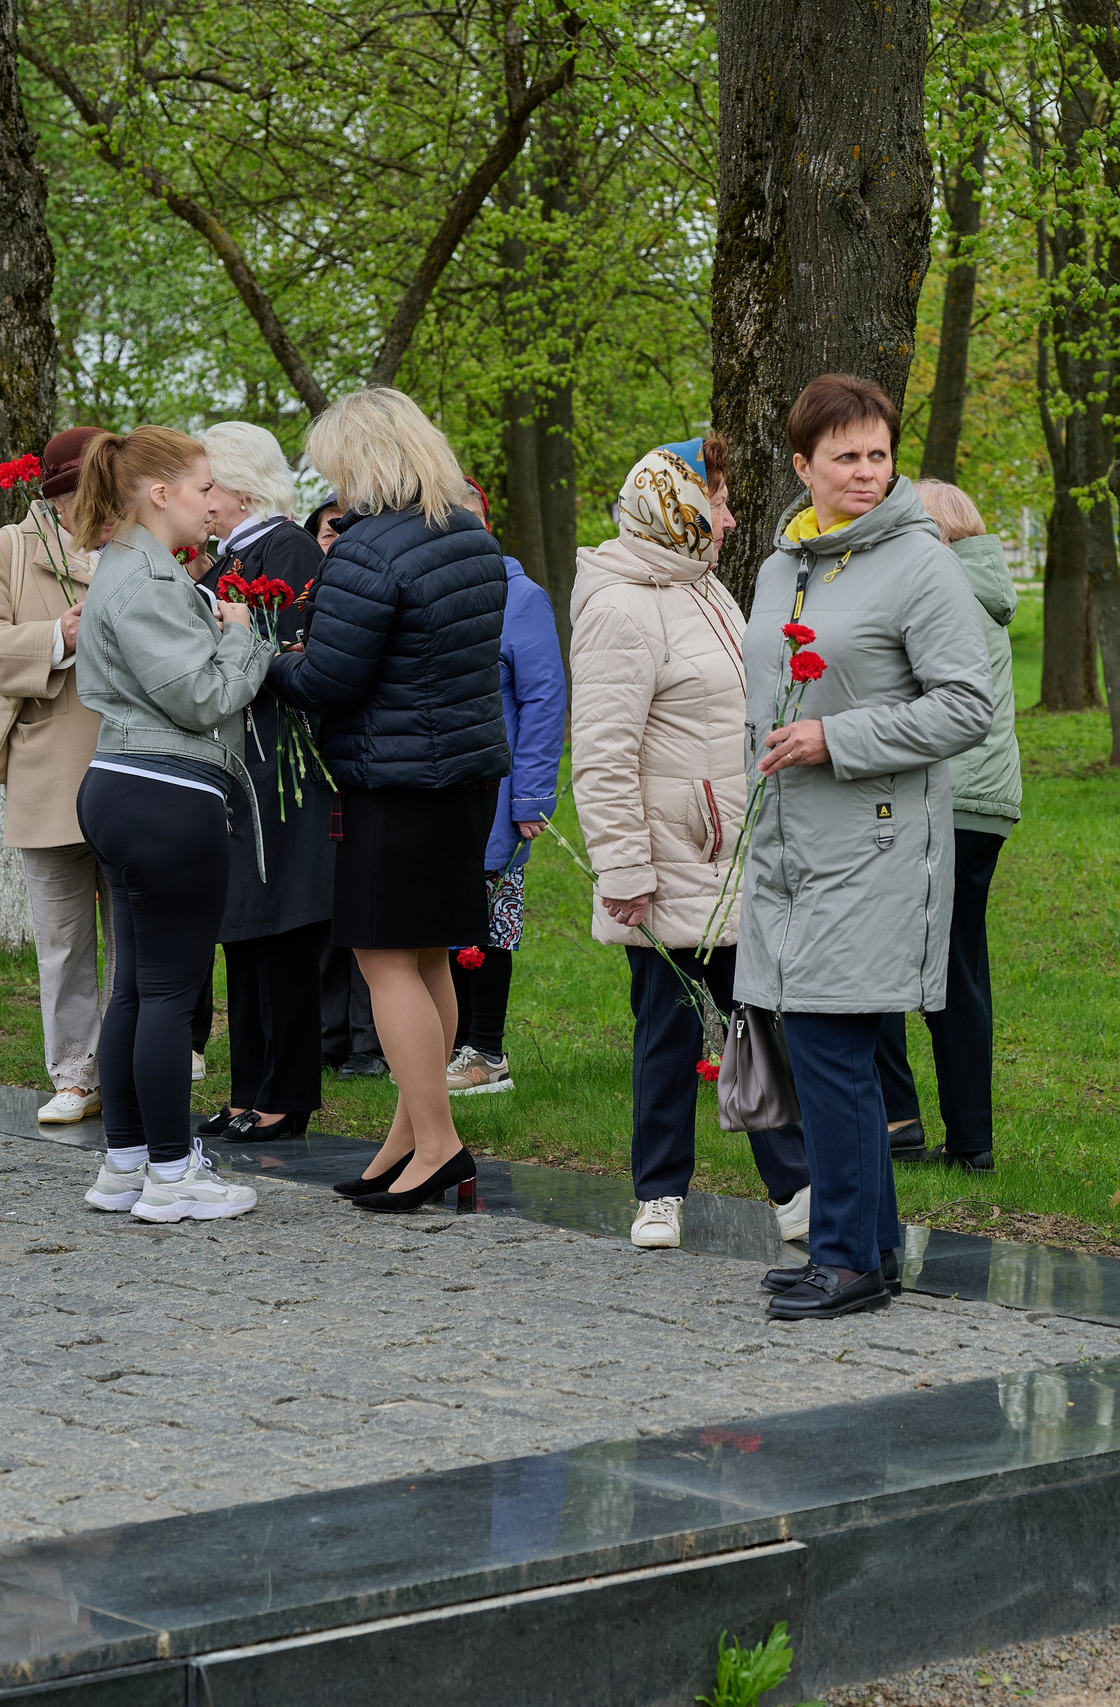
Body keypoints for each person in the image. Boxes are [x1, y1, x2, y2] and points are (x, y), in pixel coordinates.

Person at [737, 375, 993, 1320]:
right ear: (801, 466)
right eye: (843, 455)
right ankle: (872, 1250)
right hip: (787, 840)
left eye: (878, 454)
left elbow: (966, 703)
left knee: (831, 1043)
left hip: (874, 843)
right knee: (821, 1048)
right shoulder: (782, 565)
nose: (864, 471)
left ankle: (844, 1259)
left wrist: (837, 738)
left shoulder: (920, 563)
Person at [268, 388, 509, 1213]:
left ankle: (437, 1144)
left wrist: (264, 656)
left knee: (383, 961)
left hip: (392, 779)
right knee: (429, 954)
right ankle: (409, 1138)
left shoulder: (367, 550)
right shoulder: (469, 535)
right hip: (466, 776)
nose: (333, 486)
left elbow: (330, 679)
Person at [570, 436, 811, 1252]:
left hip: (731, 855)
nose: (730, 517)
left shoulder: (705, 587)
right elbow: (602, 754)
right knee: (667, 1027)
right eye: (717, 500)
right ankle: (659, 1192)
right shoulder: (620, 606)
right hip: (667, 862)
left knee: (755, 1021)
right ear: (674, 509)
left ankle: (795, 1188)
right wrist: (623, 868)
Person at [70, 426, 274, 1225]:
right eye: (203, 487)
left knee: (137, 987)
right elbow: (199, 696)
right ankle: (171, 1172)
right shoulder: (146, 579)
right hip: (164, 794)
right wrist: (244, 639)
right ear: (160, 494)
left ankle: (127, 1162)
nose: (213, 502)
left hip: (130, 789)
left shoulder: (135, 567)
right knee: (165, 993)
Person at [0, 426, 107, 1125]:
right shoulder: (6, 548)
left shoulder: (142, 545)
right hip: (51, 769)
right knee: (64, 939)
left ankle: (129, 1067)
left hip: (136, 766)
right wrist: (56, 636)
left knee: (136, 937)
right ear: (63, 493)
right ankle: (74, 1074)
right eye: (96, 489)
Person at [872, 479, 1019, 1175]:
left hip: (940, 797)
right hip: (985, 803)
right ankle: (967, 1137)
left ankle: (902, 1121)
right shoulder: (984, 584)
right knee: (959, 965)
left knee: (879, 957)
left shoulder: (936, 586)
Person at [194, 421, 333, 1142]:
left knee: (280, 931)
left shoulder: (289, 549)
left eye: (208, 485)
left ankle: (287, 1092)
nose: (200, 499)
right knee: (243, 931)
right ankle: (247, 1086)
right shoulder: (230, 556)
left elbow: (292, 653)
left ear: (242, 486)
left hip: (281, 765)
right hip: (240, 767)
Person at [446, 483, 568, 1097]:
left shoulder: (521, 597)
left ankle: (486, 1052)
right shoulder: (433, 592)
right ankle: (449, 1044)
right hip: (439, 788)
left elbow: (545, 700)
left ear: (486, 523)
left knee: (490, 919)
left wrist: (532, 798)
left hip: (498, 793)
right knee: (443, 917)